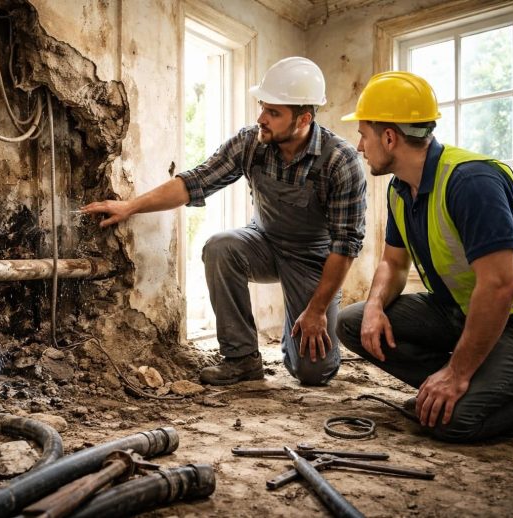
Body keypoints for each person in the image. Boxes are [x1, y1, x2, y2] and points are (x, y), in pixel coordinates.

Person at [81, 57, 366, 386]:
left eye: (273, 113)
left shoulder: (339, 161)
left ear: (303, 118)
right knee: (220, 247)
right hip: (264, 244)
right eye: (262, 107)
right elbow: (195, 181)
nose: (261, 118)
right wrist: (131, 206)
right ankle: (242, 358)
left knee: (312, 373)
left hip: (314, 261)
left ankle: (300, 336)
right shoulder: (251, 142)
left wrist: (316, 310)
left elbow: (346, 246)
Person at [337, 71, 513, 441]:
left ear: (389, 137)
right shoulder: (400, 189)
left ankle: (488, 386)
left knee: (454, 421)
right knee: (352, 322)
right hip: (462, 309)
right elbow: (392, 262)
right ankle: (456, 384)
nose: (359, 146)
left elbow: (501, 287)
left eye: (363, 134)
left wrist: (457, 374)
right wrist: (374, 306)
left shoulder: (471, 182)